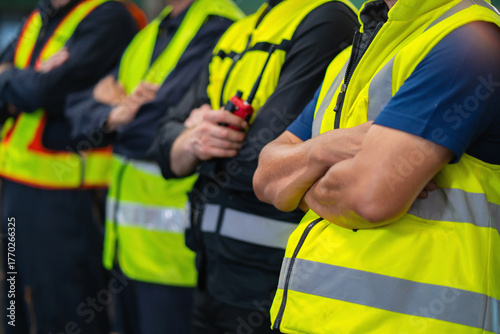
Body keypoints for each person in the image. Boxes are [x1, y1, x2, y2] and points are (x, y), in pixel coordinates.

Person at [253, 0, 500, 332]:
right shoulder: (356, 56)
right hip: (308, 319)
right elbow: (265, 175)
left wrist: (300, 181)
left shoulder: (469, 41)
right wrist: (326, 149)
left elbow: (368, 197)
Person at [151, 0, 360, 332]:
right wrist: (192, 139)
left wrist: (198, 137)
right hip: (210, 268)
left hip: (271, 276)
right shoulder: (239, 31)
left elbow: (262, 165)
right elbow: (163, 143)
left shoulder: (328, 18)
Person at [65, 0, 243, 333]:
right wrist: (117, 113)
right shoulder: (149, 32)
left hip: (176, 260)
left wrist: (117, 108)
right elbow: (77, 112)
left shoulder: (220, 27)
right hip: (124, 251)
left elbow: (156, 133)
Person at [0, 0, 142, 332]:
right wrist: (27, 80)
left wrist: (16, 79)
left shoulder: (109, 16)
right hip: (16, 188)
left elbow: (45, 91)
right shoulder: (40, 16)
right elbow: (33, 87)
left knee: (66, 310)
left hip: (69, 197)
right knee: (12, 304)